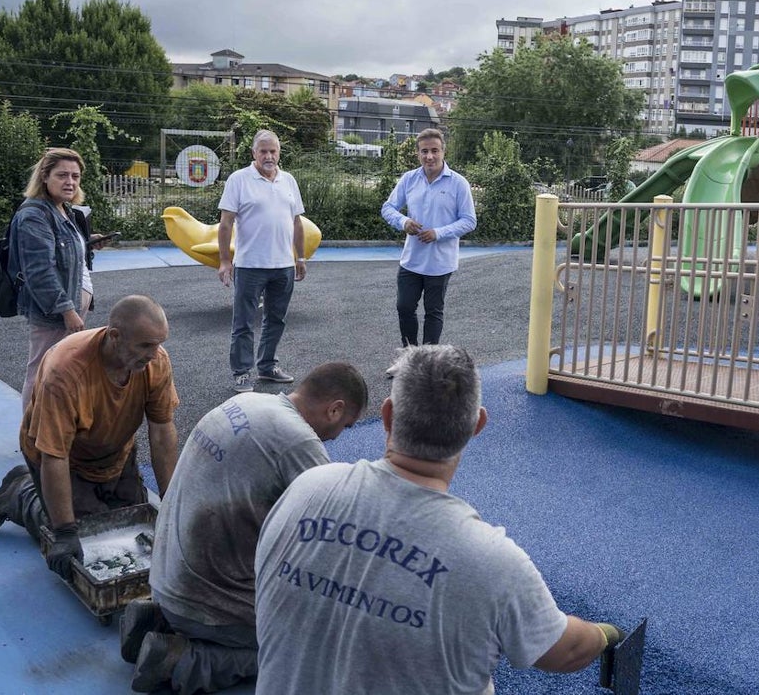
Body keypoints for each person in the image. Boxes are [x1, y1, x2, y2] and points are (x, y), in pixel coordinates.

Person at [253, 345, 621, 695]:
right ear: (477, 425)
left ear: (387, 416)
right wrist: (604, 635)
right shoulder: (492, 563)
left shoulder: (307, 487)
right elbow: (566, 651)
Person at [123, 362, 370, 694]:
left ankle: (157, 620)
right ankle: (180, 660)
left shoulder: (248, 403)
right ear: (335, 409)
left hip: (166, 576)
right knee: (304, 644)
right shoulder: (299, 443)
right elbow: (336, 540)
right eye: (348, 425)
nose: (341, 434)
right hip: (201, 602)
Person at [0, 295, 179, 583]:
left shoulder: (155, 362)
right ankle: (20, 494)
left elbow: (162, 431)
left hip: (113, 449)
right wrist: (65, 531)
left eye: (159, 343)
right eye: (146, 345)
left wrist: (171, 500)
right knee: (83, 536)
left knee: (129, 524)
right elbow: (54, 455)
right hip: (61, 457)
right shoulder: (65, 373)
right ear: (115, 337)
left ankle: (68, 499)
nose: (154, 353)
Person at [8, 147, 114, 412]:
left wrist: (87, 243)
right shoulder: (34, 215)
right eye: (62, 175)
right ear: (45, 177)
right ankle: (32, 436)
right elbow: (39, 272)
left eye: (75, 176)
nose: (70, 182)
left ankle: (52, 429)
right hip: (54, 310)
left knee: (60, 368)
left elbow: (63, 249)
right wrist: (67, 310)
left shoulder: (61, 209)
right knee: (42, 370)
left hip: (69, 305)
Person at [218, 130, 307, 394]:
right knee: (243, 322)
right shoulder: (239, 180)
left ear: (279, 153)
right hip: (249, 266)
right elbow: (225, 223)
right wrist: (225, 261)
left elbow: (297, 222)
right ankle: (242, 373)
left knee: (276, 319)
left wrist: (299, 258)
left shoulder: (288, 180)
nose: (269, 156)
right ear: (253, 154)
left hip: (283, 266)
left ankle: (267, 366)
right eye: (263, 151)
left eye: (273, 151)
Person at [380, 129, 476, 347]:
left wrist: (438, 233)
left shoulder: (458, 183)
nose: (429, 156)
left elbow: (469, 220)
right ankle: (409, 355)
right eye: (424, 151)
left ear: (443, 151)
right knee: (404, 307)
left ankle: (429, 361)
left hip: (440, 263)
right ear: (418, 154)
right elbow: (388, 208)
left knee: (433, 312)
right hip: (411, 260)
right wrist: (404, 222)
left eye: (434, 150)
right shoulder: (409, 179)